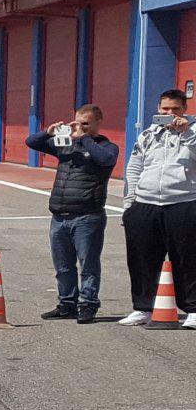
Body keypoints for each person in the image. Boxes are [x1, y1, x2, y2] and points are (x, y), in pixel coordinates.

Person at [26, 105, 119, 323]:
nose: (79, 127)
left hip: (88, 216)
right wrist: (48, 132)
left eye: (85, 124)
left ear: (98, 123)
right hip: (60, 215)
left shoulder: (107, 147)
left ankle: (88, 304)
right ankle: (67, 303)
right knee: (63, 266)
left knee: (88, 265)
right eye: (77, 122)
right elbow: (32, 142)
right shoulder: (66, 146)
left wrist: (83, 138)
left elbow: (105, 159)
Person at [121, 89, 196, 328]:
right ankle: (143, 308)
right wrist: (130, 203)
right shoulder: (148, 135)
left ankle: (193, 309)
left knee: (187, 259)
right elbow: (134, 167)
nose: (170, 113)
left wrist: (187, 134)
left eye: (175, 109)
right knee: (141, 258)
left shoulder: (193, 133)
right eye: (165, 108)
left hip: (183, 202)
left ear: (184, 109)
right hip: (145, 203)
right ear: (158, 108)